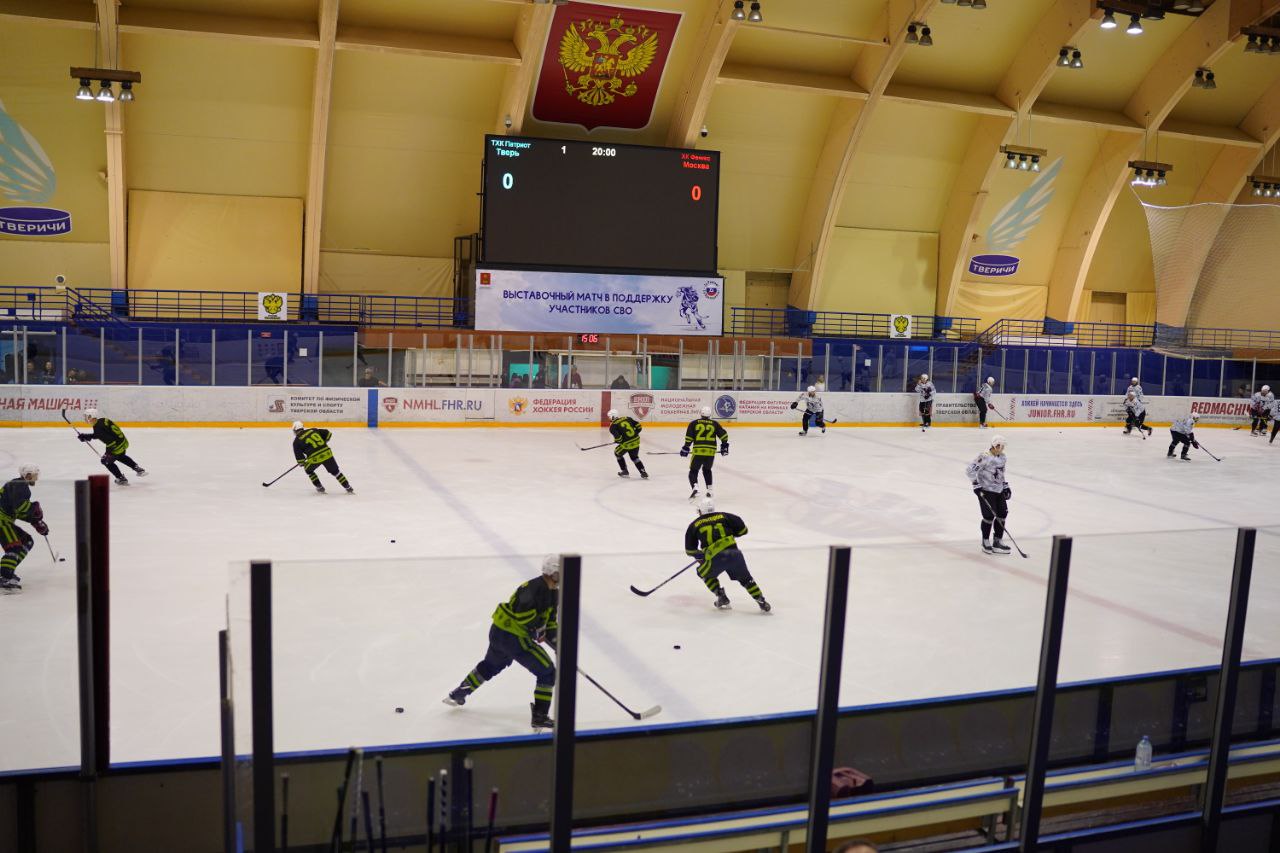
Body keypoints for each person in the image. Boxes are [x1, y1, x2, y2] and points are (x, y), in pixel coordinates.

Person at [444, 555, 560, 730]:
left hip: (501, 633)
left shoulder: (553, 593)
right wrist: (537, 629)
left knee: (491, 665)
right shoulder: (533, 588)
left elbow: (550, 620)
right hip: (513, 637)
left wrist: (557, 642)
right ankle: (540, 716)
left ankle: (458, 694)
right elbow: (523, 615)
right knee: (547, 672)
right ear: (553, 573)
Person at [685, 497, 769, 612]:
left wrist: (702, 556)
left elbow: (690, 550)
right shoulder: (726, 516)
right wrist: (730, 535)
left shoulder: (694, 525)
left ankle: (721, 596)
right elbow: (743, 530)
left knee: (702, 573)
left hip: (716, 558)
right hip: (735, 555)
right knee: (746, 579)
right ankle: (761, 601)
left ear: (700, 510)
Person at [0, 465, 47, 591]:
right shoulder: (20, 485)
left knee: (27, 541)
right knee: (14, 547)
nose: (36, 478)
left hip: (5, 521)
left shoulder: (18, 485)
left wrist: (35, 521)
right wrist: (34, 509)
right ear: (28, 475)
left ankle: (8, 571)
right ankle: (4, 577)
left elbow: (17, 511)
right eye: (34, 475)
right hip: (1, 521)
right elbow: (20, 506)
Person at [966, 435, 1011, 555]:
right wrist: (976, 485)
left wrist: (1005, 486)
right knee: (989, 516)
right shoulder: (984, 456)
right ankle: (985, 541)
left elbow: (1001, 473)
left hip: (999, 490)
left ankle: (997, 541)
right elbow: (970, 470)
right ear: (994, 445)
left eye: (1003, 446)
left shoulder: (1003, 457)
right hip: (986, 490)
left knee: (1002, 514)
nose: (1001, 448)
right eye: (999, 446)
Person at [79, 408, 147, 485]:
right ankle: (137, 468)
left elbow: (107, 439)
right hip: (123, 441)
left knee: (106, 461)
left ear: (92, 416)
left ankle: (121, 478)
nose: (85, 418)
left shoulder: (98, 428)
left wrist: (87, 437)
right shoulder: (102, 420)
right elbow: (100, 434)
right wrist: (87, 436)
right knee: (120, 456)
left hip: (116, 446)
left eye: (87, 416)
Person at [292, 421, 354, 494]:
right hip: (327, 453)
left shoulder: (296, 441)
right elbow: (328, 433)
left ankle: (320, 487)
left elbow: (300, 460)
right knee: (336, 472)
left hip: (315, 458)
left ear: (295, 430)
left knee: (308, 470)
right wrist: (322, 444)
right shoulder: (313, 430)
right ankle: (348, 488)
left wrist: (302, 463)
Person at [681, 406, 728, 500]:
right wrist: (724, 446)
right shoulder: (715, 423)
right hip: (710, 452)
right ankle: (710, 490)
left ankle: (695, 488)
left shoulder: (694, 423)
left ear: (701, 414)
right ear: (710, 415)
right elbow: (724, 436)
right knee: (707, 470)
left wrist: (686, 447)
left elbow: (689, 437)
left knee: (693, 471)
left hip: (698, 451)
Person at [606, 409, 648, 479]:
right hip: (636, 441)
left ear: (612, 416)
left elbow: (619, 439)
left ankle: (624, 471)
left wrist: (617, 441)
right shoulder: (627, 418)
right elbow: (639, 426)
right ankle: (643, 472)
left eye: (609, 417)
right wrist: (634, 434)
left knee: (617, 453)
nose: (608, 418)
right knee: (635, 457)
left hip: (626, 445)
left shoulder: (613, 426)